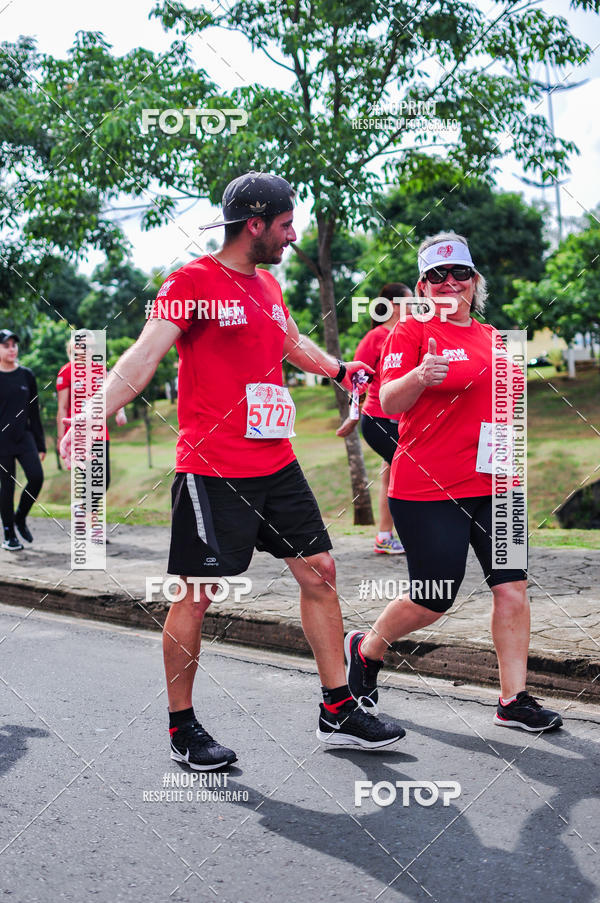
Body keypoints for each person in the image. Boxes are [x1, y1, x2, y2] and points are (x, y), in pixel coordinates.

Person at [61, 172, 405, 768]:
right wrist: (89, 417)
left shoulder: (268, 285)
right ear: (254, 224)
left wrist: (339, 369)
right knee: (196, 595)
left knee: (320, 570)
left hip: (275, 461)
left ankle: (337, 708)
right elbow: (143, 356)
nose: (293, 235)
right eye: (284, 224)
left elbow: (290, 341)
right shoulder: (192, 282)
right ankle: (182, 727)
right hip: (213, 469)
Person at [344, 232, 562, 732]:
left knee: (512, 588)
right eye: (437, 276)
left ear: (474, 280)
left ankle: (513, 700)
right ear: (423, 286)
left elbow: (504, 412)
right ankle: (368, 647)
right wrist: (420, 376)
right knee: (433, 597)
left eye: (459, 273)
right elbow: (390, 403)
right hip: (428, 488)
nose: (449, 284)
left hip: (496, 486)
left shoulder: (497, 338)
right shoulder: (411, 331)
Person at [337, 283, 412, 555]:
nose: (414, 308)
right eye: (409, 303)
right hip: (378, 421)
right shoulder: (376, 337)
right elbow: (357, 380)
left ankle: (384, 537)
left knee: (392, 476)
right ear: (393, 305)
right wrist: (352, 416)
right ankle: (413, 535)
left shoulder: (410, 334)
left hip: (402, 422)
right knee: (409, 473)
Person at [56, 336, 127, 495]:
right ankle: (86, 516)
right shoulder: (66, 372)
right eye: (82, 346)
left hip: (100, 433)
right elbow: (62, 407)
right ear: (73, 348)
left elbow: (113, 394)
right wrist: (61, 437)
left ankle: (85, 512)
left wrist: (120, 412)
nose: (87, 350)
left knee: (103, 482)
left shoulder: (102, 370)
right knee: (89, 479)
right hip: (79, 433)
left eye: (91, 346)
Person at [0, 329, 46, 551]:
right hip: (1, 440)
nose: (11, 349)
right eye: (6, 345)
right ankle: (9, 533)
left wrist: (41, 444)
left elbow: (34, 412)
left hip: (24, 437)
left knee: (36, 477)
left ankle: (20, 517)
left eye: (14, 345)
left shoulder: (27, 375)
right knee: (7, 487)